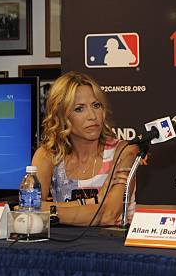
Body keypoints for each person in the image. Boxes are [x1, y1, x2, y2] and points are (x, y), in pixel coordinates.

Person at [31, 71, 138, 226]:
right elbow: (28, 209)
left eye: (96, 105)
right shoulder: (48, 155)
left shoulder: (125, 151)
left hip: (115, 247)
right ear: (61, 115)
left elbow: (109, 215)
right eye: (79, 109)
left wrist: (49, 211)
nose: (92, 116)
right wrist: (95, 201)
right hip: (62, 246)